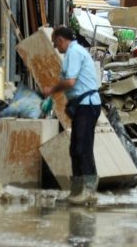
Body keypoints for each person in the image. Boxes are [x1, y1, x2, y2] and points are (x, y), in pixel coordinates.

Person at [42, 26, 102, 206]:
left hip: (87, 106)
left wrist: (51, 90)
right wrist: (53, 98)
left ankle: (89, 192)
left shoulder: (74, 52)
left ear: (60, 39)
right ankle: (77, 191)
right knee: (75, 149)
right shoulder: (73, 53)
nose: (55, 46)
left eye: (55, 42)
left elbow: (70, 81)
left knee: (82, 148)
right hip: (82, 105)